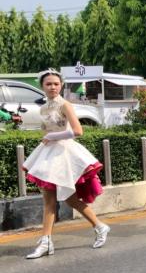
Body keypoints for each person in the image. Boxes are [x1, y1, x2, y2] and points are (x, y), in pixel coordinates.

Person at [22, 69, 109, 259]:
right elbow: (47, 131)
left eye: (56, 84)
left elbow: (78, 131)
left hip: (64, 154)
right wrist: (48, 137)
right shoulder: (44, 108)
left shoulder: (65, 104)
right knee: (59, 200)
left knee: (61, 200)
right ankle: (99, 227)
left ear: (61, 85)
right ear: (42, 86)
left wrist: (53, 136)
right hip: (49, 154)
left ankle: (47, 242)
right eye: (48, 84)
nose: (52, 87)